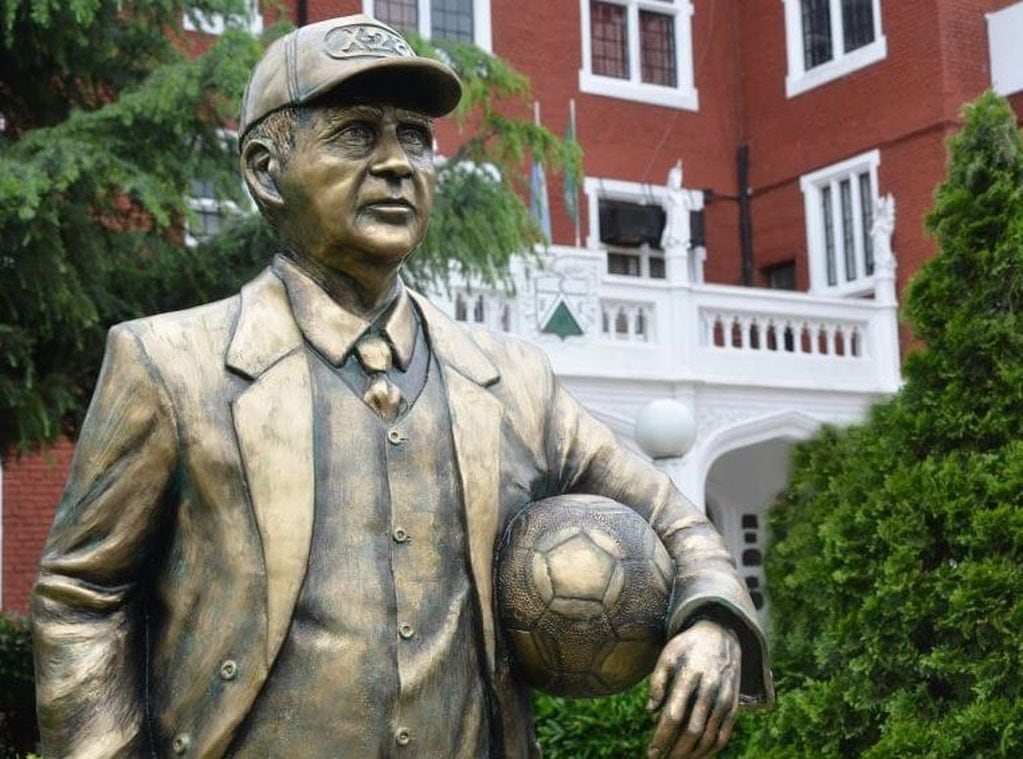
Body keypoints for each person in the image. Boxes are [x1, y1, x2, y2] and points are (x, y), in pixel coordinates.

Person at [32, 14, 771, 758]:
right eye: (356, 134)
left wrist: (711, 615)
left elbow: (672, 515)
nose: (397, 164)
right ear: (264, 169)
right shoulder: (168, 365)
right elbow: (82, 598)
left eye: (413, 138)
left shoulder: (512, 380)